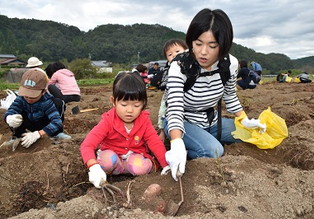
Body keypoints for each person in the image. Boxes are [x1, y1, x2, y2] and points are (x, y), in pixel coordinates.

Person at [164, 8, 266, 181]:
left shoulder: (230, 64)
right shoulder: (179, 66)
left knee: (254, 135)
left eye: (212, 46)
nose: (203, 52)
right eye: (198, 43)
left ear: (223, 45)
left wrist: (244, 119)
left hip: (210, 120)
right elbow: (174, 108)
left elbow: (229, 95)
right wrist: (176, 142)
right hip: (183, 122)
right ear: (191, 41)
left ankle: (201, 140)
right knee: (214, 151)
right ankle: (178, 151)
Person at [80, 72, 169, 188]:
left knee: (140, 167)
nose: (130, 110)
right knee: (106, 162)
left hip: (135, 156)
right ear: (113, 101)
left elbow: (155, 142)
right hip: (113, 157)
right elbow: (87, 145)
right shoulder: (108, 121)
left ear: (143, 104)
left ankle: (131, 168)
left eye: (136, 105)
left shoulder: (144, 120)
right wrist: (93, 165)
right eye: (124, 104)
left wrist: (166, 165)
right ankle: (118, 168)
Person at [4, 69, 70, 151]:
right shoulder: (21, 99)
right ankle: (17, 136)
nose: (28, 98)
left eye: (32, 96)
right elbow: (11, 110)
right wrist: (9, 118)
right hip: (29, 123)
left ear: (43, 91)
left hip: (43, 124)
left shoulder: (47, 103)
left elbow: (57, 122)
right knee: (16, 115)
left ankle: (55, 134)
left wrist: (39, 134)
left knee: (58, 103)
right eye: (26, 95)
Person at [157, 39, 188, 142]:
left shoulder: (195, 68)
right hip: (174, 111)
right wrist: (161, 128)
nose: (174, 55)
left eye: (177, 51)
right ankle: (164, 131)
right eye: (170, 54)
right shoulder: (170, 72)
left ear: (187, 50)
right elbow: (164, 106)